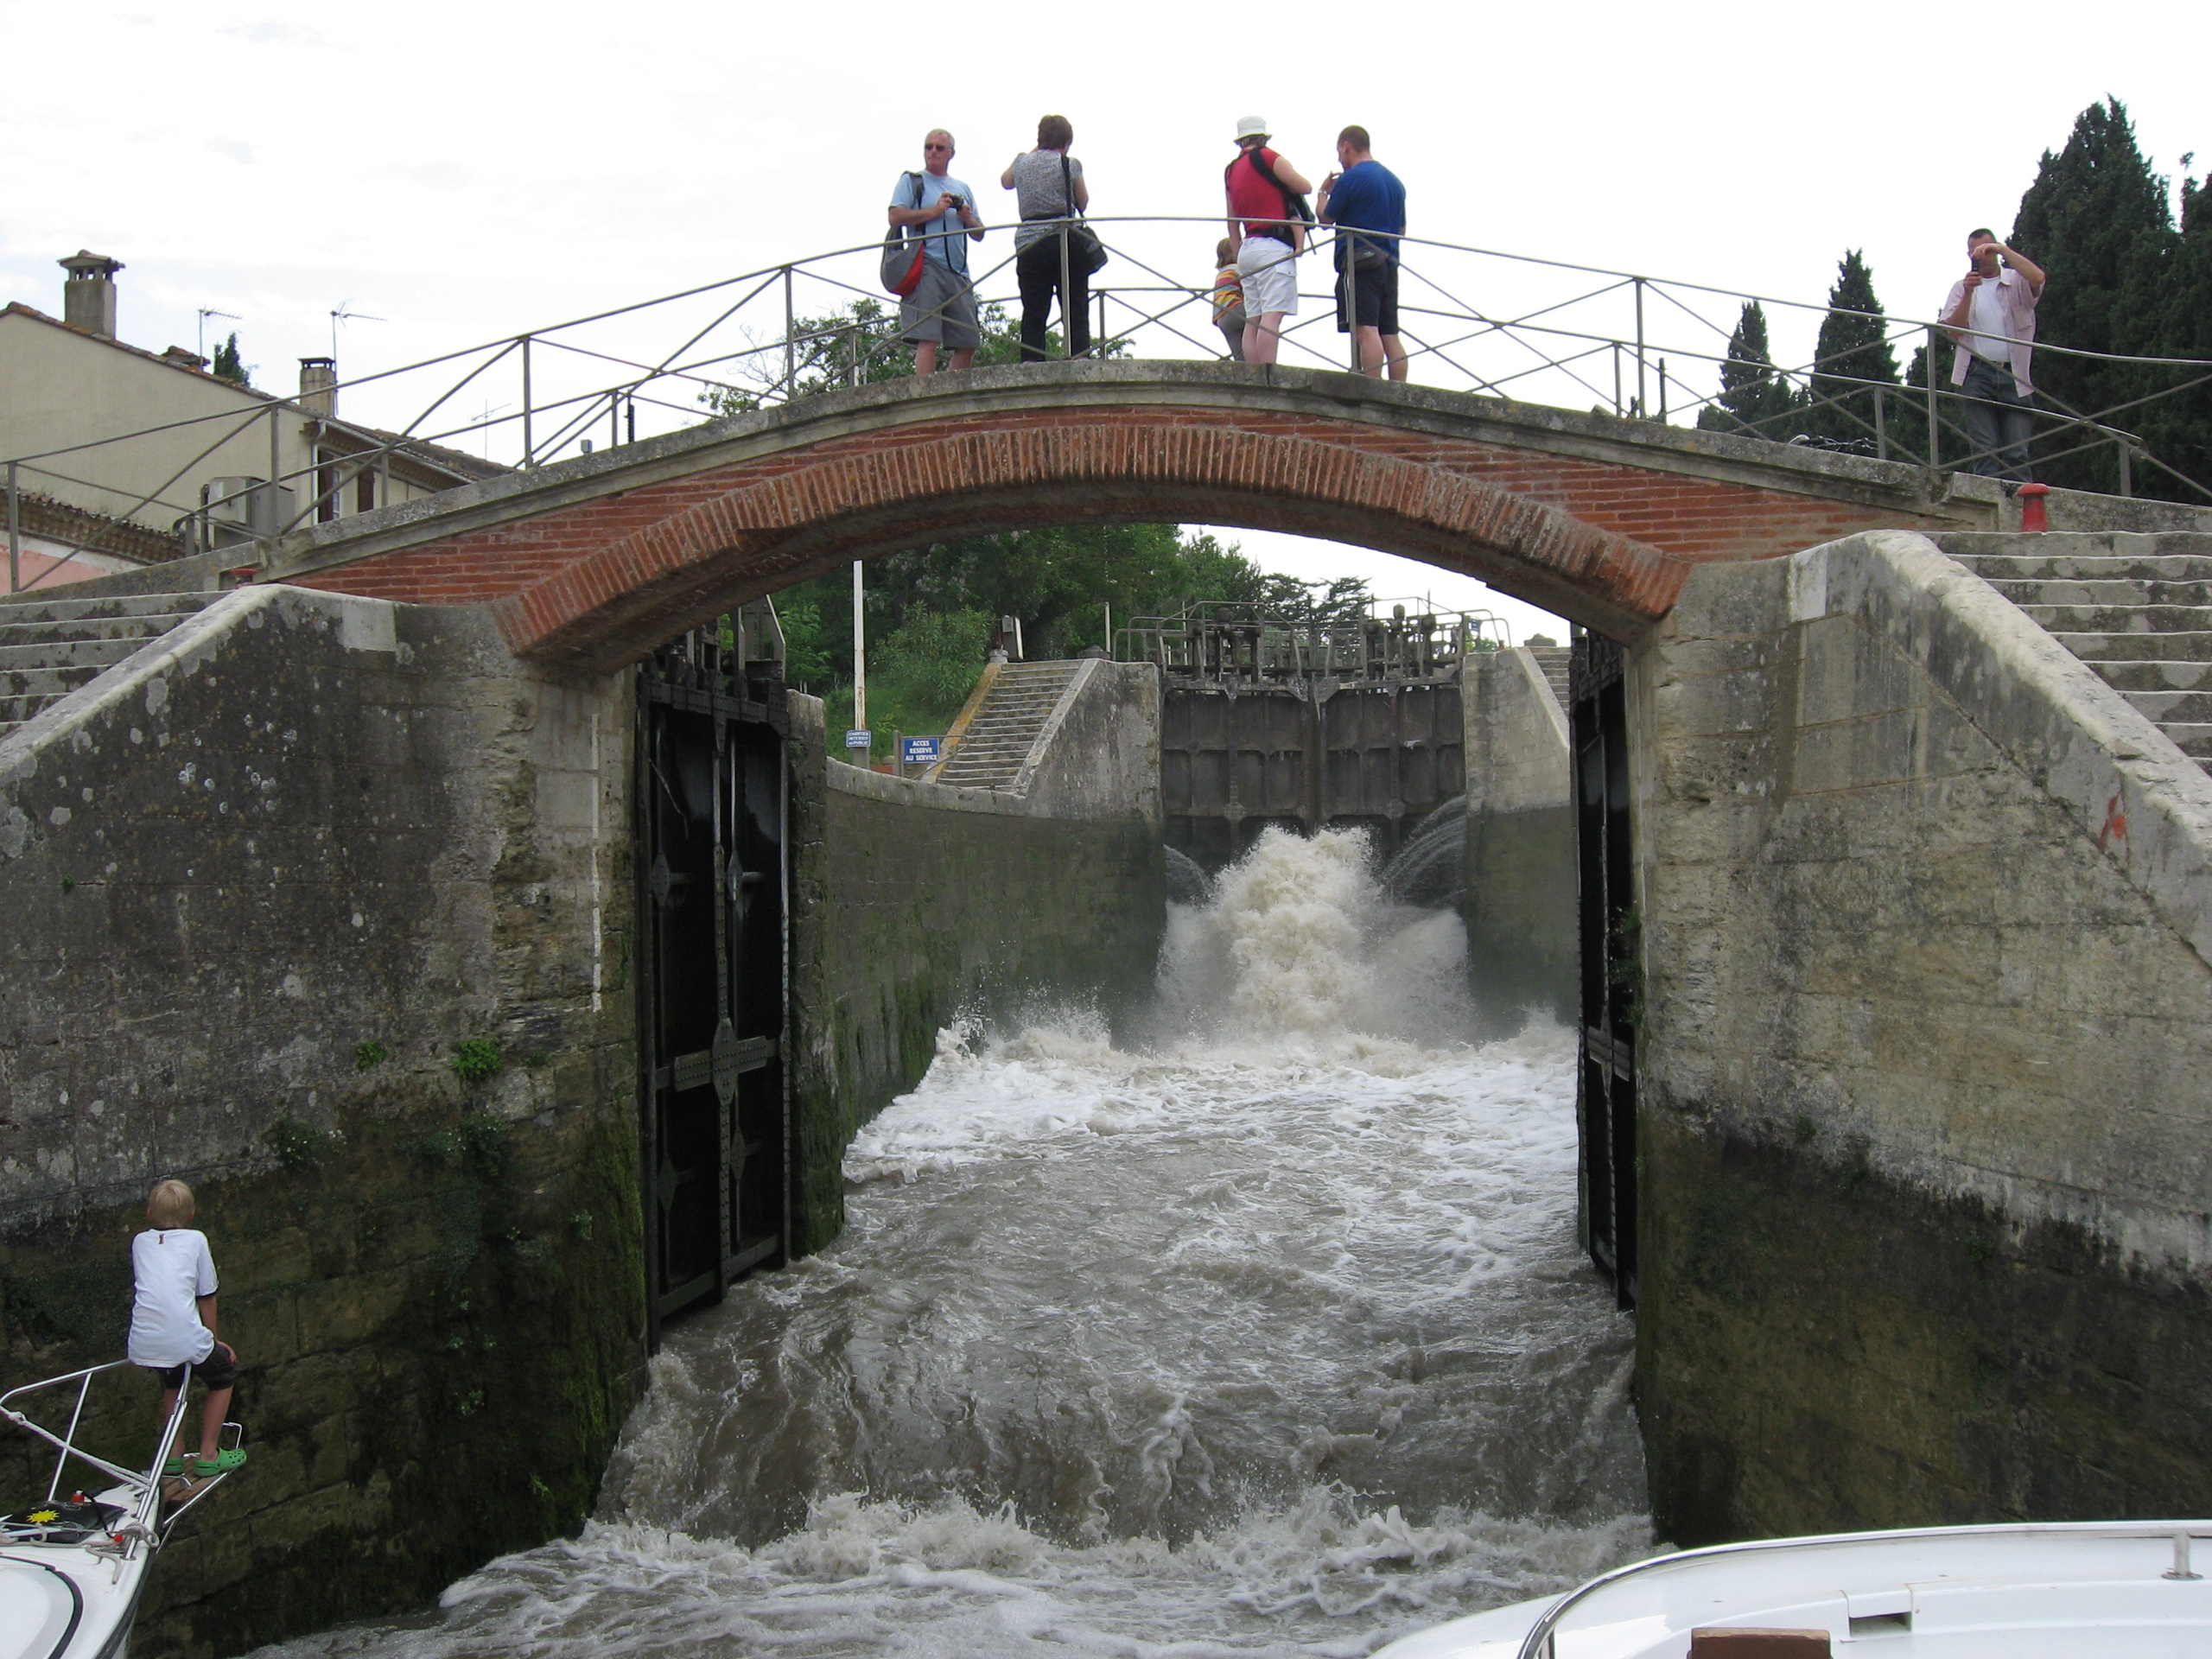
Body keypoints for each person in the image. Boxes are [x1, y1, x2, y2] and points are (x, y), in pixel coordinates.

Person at [128, 1179, 246, 1496]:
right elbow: (206, 1294)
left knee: (173, 1381)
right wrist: (214, 1338)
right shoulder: (196, 1240)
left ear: (150, 1213)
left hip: (145, 1339)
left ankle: (173, 1456)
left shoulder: (140, 1242)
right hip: (181, 1336)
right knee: (223, 1373)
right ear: (191, 1216)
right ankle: (209, 1454)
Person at [1939, 228, 2047, 482]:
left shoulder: (2016, 281)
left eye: (1987, 250)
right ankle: (1987, 501)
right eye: (1975, 252)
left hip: (2015, 375)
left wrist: (2002, 250)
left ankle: (2021, 502)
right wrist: (1968, 293)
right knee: (1984, 450)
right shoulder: (1961, 288)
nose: (1982, 257)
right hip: (1977, 373)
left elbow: (2038, 277)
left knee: (2017, 452)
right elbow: (1954, 332)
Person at [888, 130, 986, 376]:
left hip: (959, 271)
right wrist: (934, 211)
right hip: (926, 266)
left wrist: (968, 218)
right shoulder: (912, 181)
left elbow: (979, 233)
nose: (933, 152)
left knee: (969, 340)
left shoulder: (962, 188)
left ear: (951, 153)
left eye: (939, 148)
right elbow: (895, 216)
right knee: (928, 339)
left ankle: (950, 391)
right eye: (928, 146)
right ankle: (927, 393)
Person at [1316, 125, 1408, 381]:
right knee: (1390, 334)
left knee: (1366, 330)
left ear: (1346, 146)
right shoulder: (1395, 182)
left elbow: (1325, 218)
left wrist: (1323, 193)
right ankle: (1399, 391)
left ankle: (1371, 388)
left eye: (1339, 152)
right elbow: (1401, 230)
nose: (1339, 159)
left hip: (1359, 261)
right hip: (1389, 262)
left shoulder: (1351, 178)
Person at [1001, 116, 1091, 364]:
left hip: (1029, 243)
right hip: (1064, 240)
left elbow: (1005, 181)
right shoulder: (1070, 164)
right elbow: (1083, 202)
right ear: (1068, 141)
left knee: (1034, 307)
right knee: (1074, 303)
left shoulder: (1021, 163)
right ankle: (1080, 357)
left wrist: (1037, 149)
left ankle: (1032, 361)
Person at [1223, 116, 1312, 365]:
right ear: (1263, 138)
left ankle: (1253, 375)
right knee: (1272, 316)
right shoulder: (1269, 157)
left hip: (1248, 248)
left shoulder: (1230, 171)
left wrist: (1238, 253)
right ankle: (1269, 372)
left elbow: (1232, 220)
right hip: (1273, 246)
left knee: (1254, 318)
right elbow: (1305, 186)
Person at [1210, 238, 1247, 360]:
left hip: (1222, 318)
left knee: (1240, 356)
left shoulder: (1222, 273)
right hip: (1235, 308)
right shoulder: (1237, 269)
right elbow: (1251, 287)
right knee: (1266, 317)